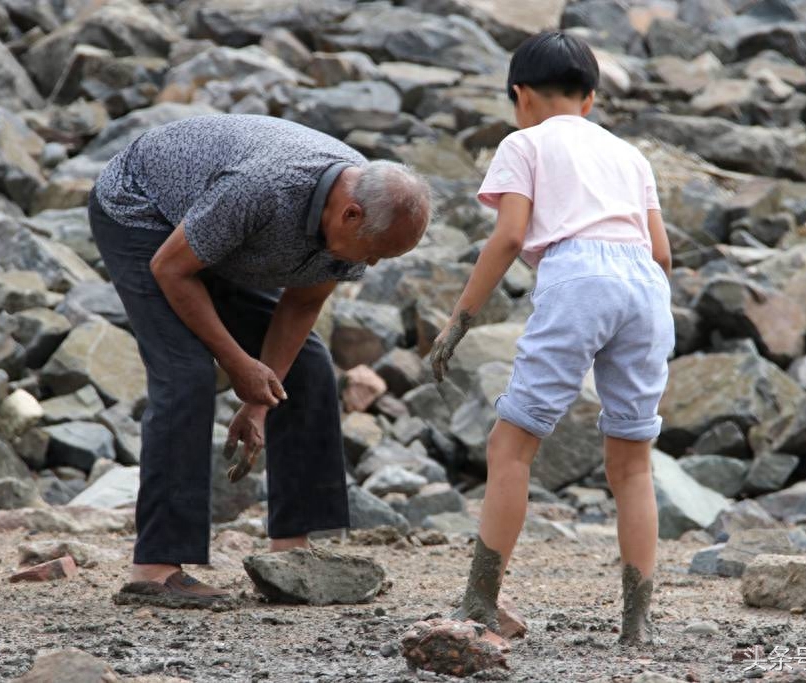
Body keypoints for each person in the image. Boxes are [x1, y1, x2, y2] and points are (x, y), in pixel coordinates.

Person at [89, 114, 431, 608]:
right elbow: (172, 267)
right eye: (375, 253)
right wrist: (238, 364)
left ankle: (291, 554)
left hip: (219, 234)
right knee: (186, 373)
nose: (370, 265)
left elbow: (302, 304)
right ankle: (155, 568)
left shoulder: (357, 215)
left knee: (306, 367)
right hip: (143, 212)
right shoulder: (264, 187)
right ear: (350, 216)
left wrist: (259, 404)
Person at [429, 32, 673, 646]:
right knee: (632, 463)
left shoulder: (524, 142)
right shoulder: (629, 155)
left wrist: (458, 321)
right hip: (644, 285)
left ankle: (480, 601)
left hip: (578, 277)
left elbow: (509, 237)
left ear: (521, 95)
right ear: (589, 99)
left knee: (511, 446)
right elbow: (662, 253)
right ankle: (637, 623)